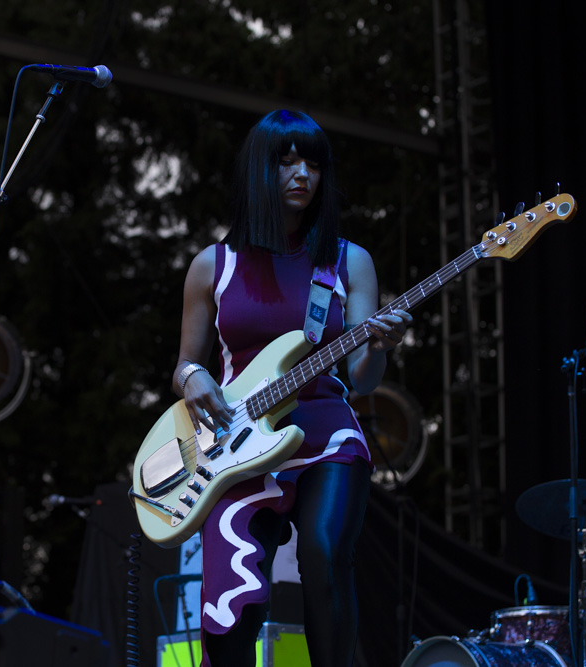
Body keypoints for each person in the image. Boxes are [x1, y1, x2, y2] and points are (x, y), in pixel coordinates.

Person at [173, 110, 412, 667]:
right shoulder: (213, 266)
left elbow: (360, 378)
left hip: (327, 438)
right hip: (237, 445)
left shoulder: (348, 262)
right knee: (230, 606)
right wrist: (195, 377)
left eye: (313, 163)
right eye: (286, 162)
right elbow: (185, 365)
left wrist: (377, 346)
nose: (302, 174)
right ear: (260, 171)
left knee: (327, 556)